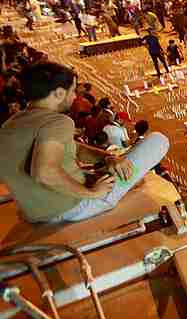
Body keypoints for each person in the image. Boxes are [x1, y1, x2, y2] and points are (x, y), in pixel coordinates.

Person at [0, 62, 169, 224]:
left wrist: (107, 158)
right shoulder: (58, 122)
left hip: (36, 213)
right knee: (158, 140)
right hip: (75, 208)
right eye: (73, 91)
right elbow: (43, 172)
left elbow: (74, 148)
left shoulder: (10, 124)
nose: (75, 97)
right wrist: (91, 192)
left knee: (114, 165)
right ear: (59, 93)